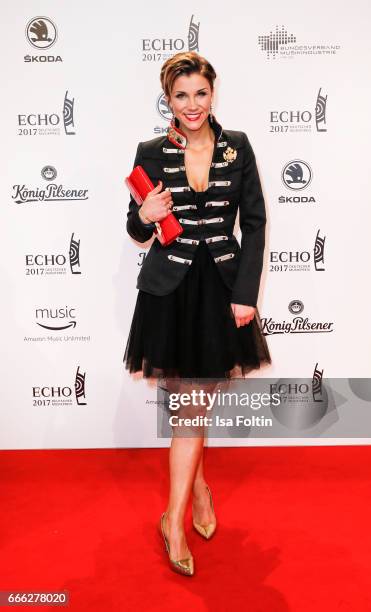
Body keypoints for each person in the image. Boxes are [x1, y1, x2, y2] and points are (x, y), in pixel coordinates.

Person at [123, 51, 271, 576]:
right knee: (191, 408)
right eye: (181, 95)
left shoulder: (238, 148)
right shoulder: (151, 151)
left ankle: (182, 507)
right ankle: (186, 509)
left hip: (221, 290)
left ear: (213, 93)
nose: (192, 104)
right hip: (169, 293)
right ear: (168, 99)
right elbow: (137, 229)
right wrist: (144, 216)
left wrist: (246, 292)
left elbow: (253, 223)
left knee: (193, 406)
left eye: (200, 93)